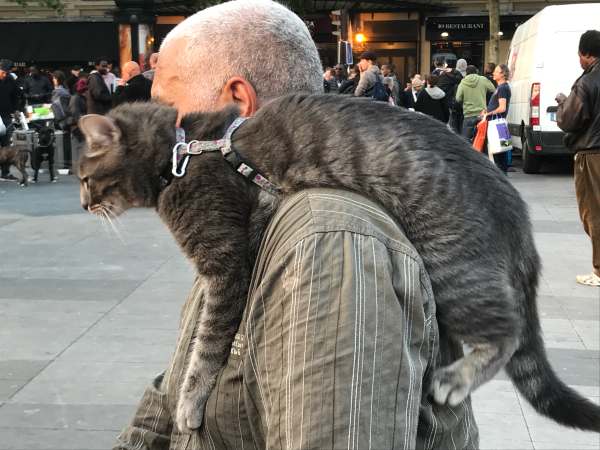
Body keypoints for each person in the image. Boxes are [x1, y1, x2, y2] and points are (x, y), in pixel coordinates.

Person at [113, 1, 478, 449]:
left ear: (238, 101)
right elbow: (172, 396)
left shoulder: (330, 239)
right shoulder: (243, 209)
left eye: (165, 113)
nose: (155, 136)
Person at [556, 29, 600, 287]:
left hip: (593, 152)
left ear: (585, 54)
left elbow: (569, 120)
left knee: (593, 212)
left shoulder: (587, 82)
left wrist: (564, 102)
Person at [483, 63, 512, 173]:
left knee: (499, 150)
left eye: (496, 71)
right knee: (500, 149)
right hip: (498, 123)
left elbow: (502, 108)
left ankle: (502, 174)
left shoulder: (503, 88)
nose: (493, 73)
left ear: (503, 74)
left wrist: (489, 113)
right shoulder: (501, 87)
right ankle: (502, 173)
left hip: (497, 123)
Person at [455, 65, 496, 140]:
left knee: (466, 141)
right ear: (476, 71)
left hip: (468, 115)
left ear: (466, 73)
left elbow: (458, 98)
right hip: (481, 114)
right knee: (483, 140)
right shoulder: (483, 79)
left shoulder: (463, 82)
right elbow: (493, 89)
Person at [0, 59, 19, 181]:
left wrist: (16, 110)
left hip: (6, 115)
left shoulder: (11, 80)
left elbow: (16, 96)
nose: (5, 74)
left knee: (6, 145)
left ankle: (5, 172)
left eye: (7, 72)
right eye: (3, 72)